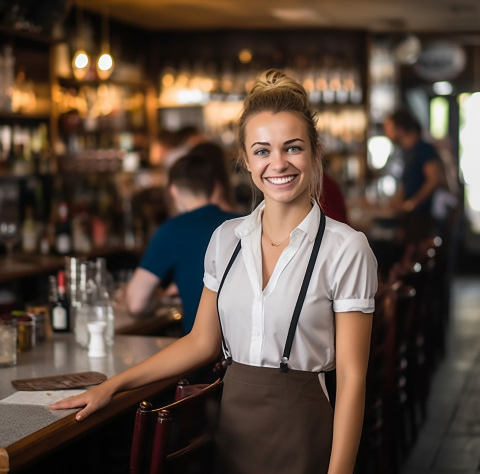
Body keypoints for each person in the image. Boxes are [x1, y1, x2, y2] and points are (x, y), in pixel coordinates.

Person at [50, 69, 378, 474]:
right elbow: (201, 342)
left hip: (305, 431)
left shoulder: (346, 248)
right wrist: (112, 387)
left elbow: (351, 378)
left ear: (314, 151)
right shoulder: (226, 239)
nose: (278, 163)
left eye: (292, 148)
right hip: (233, 430)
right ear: (244, 159)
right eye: (262, 151)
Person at [120, 150, 238, 335]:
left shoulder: (172, 230)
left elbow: (136, 304)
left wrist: (158, 300)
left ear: (173, 191)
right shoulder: (244, 223)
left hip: (200, 355)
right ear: (215, 187)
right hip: (245, 352)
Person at [383, 108, 446, 242]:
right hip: (411, 220)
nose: (386, 133)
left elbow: (435, 179)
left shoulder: (423, 148)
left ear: (399, 128)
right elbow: (408, 185)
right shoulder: (407, 152)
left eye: (388, 128)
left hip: (421, 220)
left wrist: (412, 204)